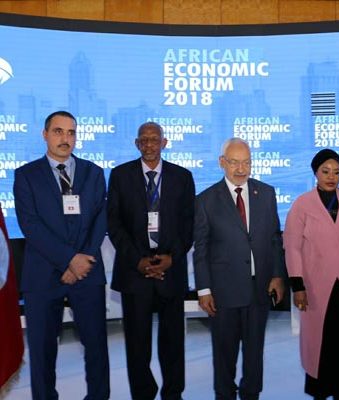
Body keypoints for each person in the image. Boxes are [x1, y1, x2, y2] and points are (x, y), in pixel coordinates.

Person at [13, 110, 110, 399]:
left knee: (96, 347)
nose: (65, 138)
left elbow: (100, 219)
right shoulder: (26, 175)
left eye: (71, 132)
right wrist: (70, 259)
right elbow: (30, 225)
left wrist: (82, 259)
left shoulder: (94, 172)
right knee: (42, 351)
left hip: (87, 272)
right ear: (45, 134)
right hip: (42, 275)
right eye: (58, 131)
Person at [107, 122, 195, 400]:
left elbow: (188, 224)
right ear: (136, 144)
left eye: (154, 139)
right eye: (143, 140)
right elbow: (114, 224)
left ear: (164, 143)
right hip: (135, 273)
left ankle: (173, 394)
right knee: (137, 345)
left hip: (171, 271)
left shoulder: (182, 176)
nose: (149, 145)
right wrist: (138, 261)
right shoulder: (120, 175)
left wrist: (171, 258)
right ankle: (143, 394)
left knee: (173, 344)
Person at [193, 137, 285, 400]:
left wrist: (277, 275)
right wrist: (204, 290)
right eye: (234, 162)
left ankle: (251, 394)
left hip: (259, 290)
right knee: (224, 355)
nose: (241, 169)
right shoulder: (206, 200)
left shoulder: (266, 193)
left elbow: (274, 239)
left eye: (246, 162)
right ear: (222, 162)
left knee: (255, 354)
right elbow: (201, 249)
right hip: (223, 292)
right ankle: (224, 394)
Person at [283, 149, 339, 400]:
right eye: (326, 171)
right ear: (316, 173)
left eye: (336, 172)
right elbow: (292, 246)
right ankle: (320, 393)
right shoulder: (302, 204)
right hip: (315, 283)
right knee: (319, 340)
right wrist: (297, 284)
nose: (331, 177)